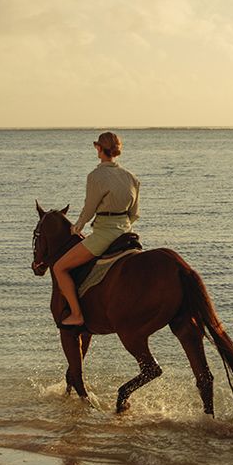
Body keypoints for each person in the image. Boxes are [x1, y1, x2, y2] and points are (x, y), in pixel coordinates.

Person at [53, 131, 140, 328]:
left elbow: (89, 208)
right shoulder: (132, 178)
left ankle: (76, 314)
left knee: (60, 267)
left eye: (97, 147)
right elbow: (134, 214)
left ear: (99, 149)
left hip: (104, 235)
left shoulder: (96, 176)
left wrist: (77, 227)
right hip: (127, 234)